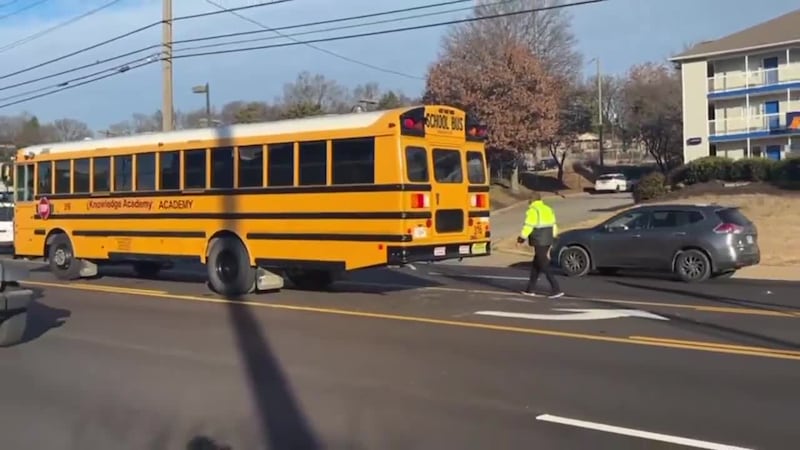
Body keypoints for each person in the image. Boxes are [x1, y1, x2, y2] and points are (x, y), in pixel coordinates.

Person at [516, 192, 564, 298]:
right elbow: (553, 224)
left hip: (539, 239)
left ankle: (556, 289)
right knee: (536, 264)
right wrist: (554, 237)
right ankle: (530, 289)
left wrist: (521, 239)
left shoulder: (533, 211)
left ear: (531, 200)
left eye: (529, 199)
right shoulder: (548, 209)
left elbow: (528, 226)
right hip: (548, 238)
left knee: (543, 264)